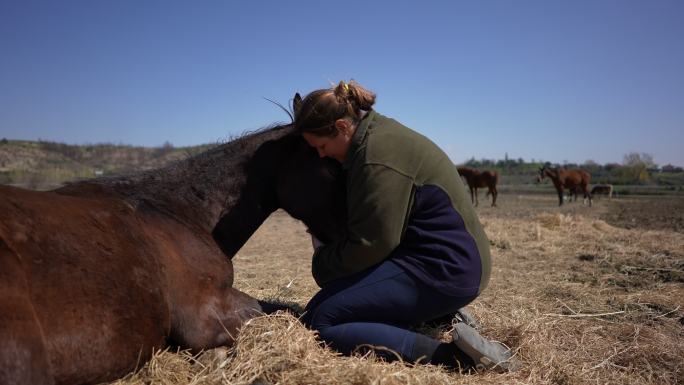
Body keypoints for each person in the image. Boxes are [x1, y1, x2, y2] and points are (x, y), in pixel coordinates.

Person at [293, 80, 518, 372]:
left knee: (320, 319)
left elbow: (373, 244)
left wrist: (323, 261)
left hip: (446, 269)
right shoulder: (378, 134)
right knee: (338, 303)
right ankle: (439, 317)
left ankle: (457, 359)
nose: (322, 155)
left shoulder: (375, 157)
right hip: (449, 261)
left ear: (341, 126)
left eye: (321, 146)